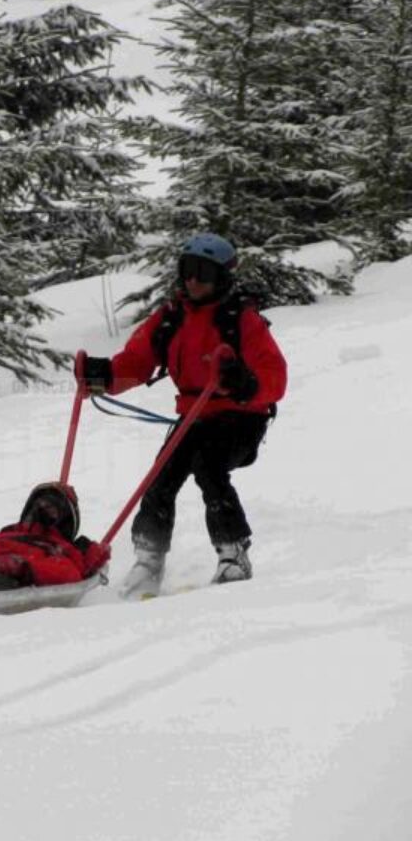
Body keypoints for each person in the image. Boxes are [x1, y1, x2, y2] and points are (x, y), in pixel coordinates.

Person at [79, 233, 287, 597]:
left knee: (209, 466)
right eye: (187, 269)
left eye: (203, 272)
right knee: (161, 476)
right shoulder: (171, 317)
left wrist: (244, 382)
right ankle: (149, 558)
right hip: (195, 415)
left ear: (222, 277)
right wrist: (105, 376)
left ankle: (233, 554)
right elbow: (137, 362)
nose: (192, 280)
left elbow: (275, 377)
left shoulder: (241, 319)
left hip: (241, 416)